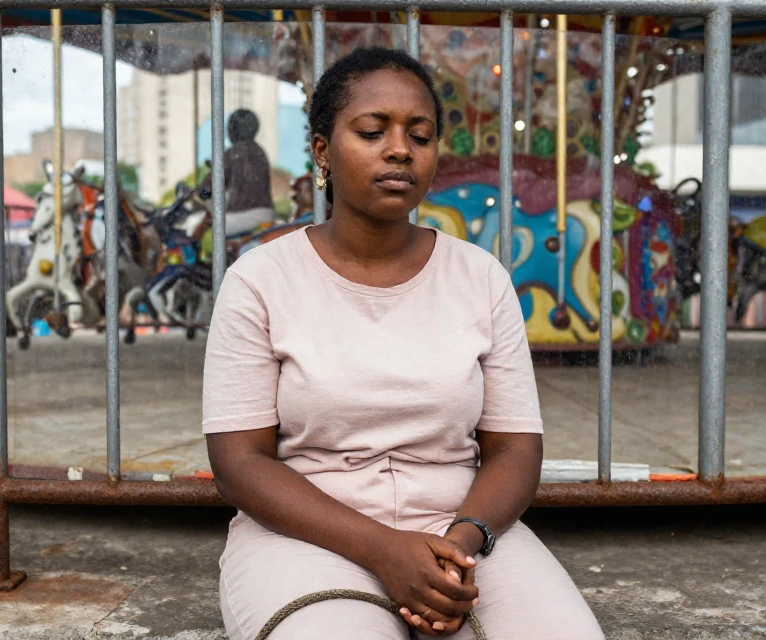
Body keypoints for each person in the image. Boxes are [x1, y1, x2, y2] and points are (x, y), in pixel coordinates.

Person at [202, 47, 604, 640]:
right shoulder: (260, 280)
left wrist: (458, 546)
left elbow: (515, 450)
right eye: (372, 131)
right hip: (309, 532)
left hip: (461, 526)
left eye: (420, 135)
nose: (399, 149)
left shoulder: (481, 277)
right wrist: (386, 551)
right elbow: (238, 463)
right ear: (321, 151)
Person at [223, 109, 276, 237]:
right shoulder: (260, 152)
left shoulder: (232, 153)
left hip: (242, 214)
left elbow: (213, 183)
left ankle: (214, 257)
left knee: (211, 230)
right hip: (266, 212)